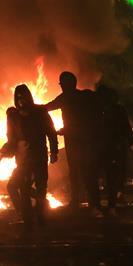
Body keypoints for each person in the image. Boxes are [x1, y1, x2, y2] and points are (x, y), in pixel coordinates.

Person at [0, 84, 59, 231]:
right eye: (17, 97)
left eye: (23, 97)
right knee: (23, 189)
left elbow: (51, 132)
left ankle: (41, 216)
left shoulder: (40, 112)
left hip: (39, 156)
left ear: (28, 97)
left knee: (41, 186)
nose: (20, 100)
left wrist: (54, 151)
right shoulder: (13, 117)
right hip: (23, 159)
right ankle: (27, 220)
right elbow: (11, 140)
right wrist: (1, 153)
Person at [45, 71, 100, 212]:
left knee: (77, 171)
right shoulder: (82, 96)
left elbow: (48, 107)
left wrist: (32, 109)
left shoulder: (67, 97)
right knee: (86, 171)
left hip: (76, 140)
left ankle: (79, 201)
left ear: (68, 84)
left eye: (62, 83)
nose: (61, 86)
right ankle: (93, 201)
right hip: (84, 139)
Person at [95, 84, 133, 214]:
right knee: (109, 176)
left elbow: (126, 128)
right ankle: (108, 204)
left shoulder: (114, 110)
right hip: (108, 148)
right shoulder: (100, 110)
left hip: (111, 148)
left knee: (111, 176)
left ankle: (108, 204)